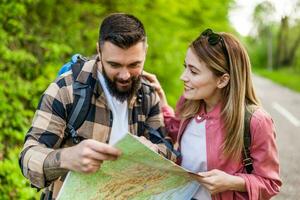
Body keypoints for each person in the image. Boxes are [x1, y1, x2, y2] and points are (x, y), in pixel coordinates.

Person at [19, 13, 175, 199]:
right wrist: (67, 158)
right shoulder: (66, 89)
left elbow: (168, 150)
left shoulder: (148, 94)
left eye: (134, 64)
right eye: (114, 65)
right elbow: (28, 157)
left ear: (145, 52)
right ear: (99, 51)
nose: (125, 75)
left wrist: (152, 151)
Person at [143, 29, 282, 199]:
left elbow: (270, 183)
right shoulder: (189, 101)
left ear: (222, 80)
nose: (183, 77)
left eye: (193, 72)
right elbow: (177, 132)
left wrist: (232, 182)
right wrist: (163, 104)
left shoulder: (256, 121)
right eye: (185, 67)